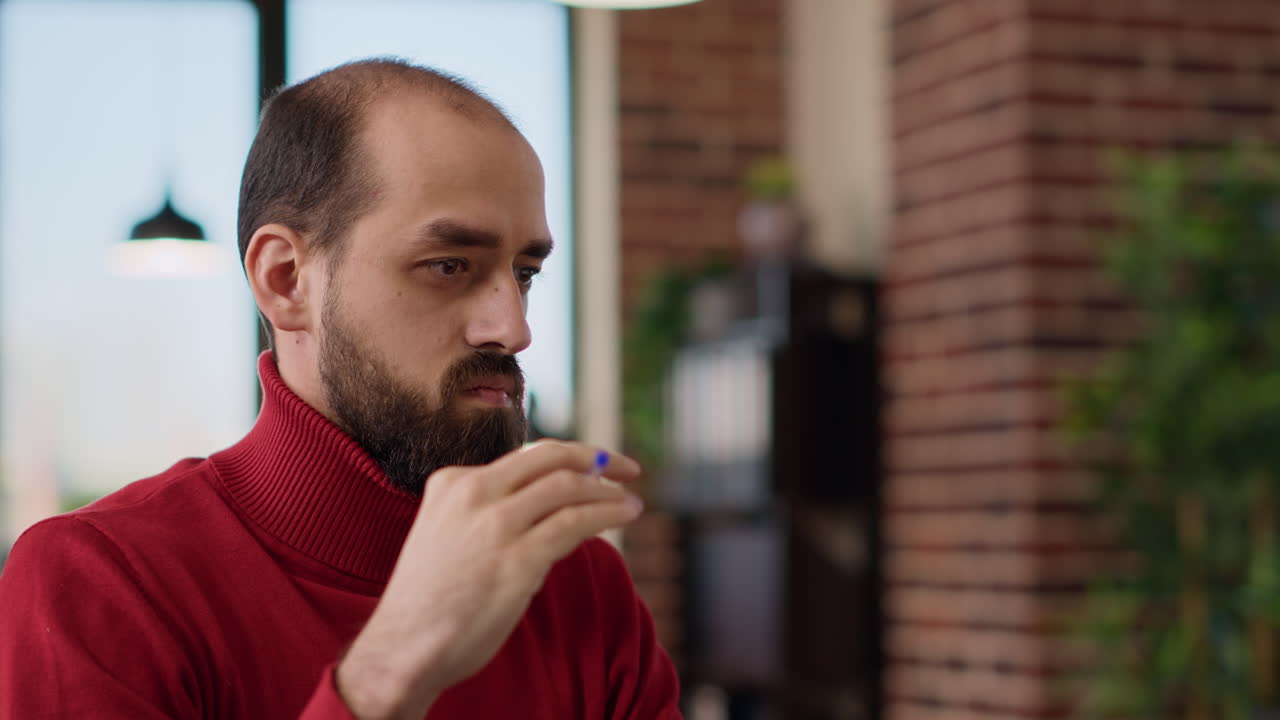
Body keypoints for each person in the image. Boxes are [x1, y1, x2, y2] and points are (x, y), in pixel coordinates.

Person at [0, 58, 681, 719]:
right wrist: (386, 677)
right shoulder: (100, 582)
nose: (514, 326)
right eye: (449, 265)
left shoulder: (577, 583)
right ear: (285, 280)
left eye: (524, 273)